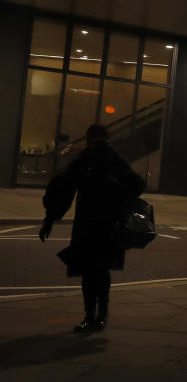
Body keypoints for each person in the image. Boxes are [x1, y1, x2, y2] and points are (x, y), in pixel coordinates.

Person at [39, 124, 145, 333]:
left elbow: (62, 190)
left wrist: (49, 220)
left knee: (93, 272)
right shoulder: (98, 161)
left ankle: (94, 315)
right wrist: (49, 220)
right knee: (97, 271)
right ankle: (96, 315)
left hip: (94, 224)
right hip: (101, 224)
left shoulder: (101, 161)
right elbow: (65, 189)